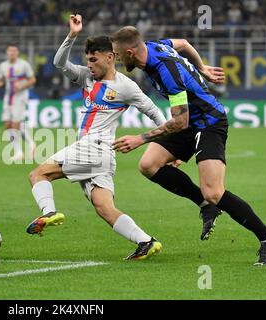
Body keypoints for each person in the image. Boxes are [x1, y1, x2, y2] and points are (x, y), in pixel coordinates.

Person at [110, 26, 266, 265]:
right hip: (191, 121)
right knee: (149, 165)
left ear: (130, 52)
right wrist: (202, 68)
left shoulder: (166, 72)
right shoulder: (154, 46)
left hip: (208, 122)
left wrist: (140, 138)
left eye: (117, 54)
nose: (116, 59)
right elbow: (182, 42)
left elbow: (180, 121)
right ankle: (205, 205)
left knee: (214, 192)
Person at [25, 14, 166, 260]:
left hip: (95, 147)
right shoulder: (86, 77)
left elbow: (155, 113)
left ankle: (49, 212)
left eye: (93, 59)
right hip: (102, 154)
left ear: (110, 57)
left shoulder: (125, 86)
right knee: (104, 208)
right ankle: (146, 242)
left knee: (38, 174)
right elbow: (59, 63)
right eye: (87, 60)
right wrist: (71, 36)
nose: (89, 65)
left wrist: (167, 147)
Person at [0, 43, 36, 162]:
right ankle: (30, 144)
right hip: (8, 97)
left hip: (20, 97)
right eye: (10, 51)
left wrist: (23, 85)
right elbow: (2, 80)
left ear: (17, 52)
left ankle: (19, 152)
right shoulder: (3, 66)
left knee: (15, 125)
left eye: (14, 51)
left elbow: (32, 79)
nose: (12, 53)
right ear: (7, 52)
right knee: (8, 125)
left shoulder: (24, 65)